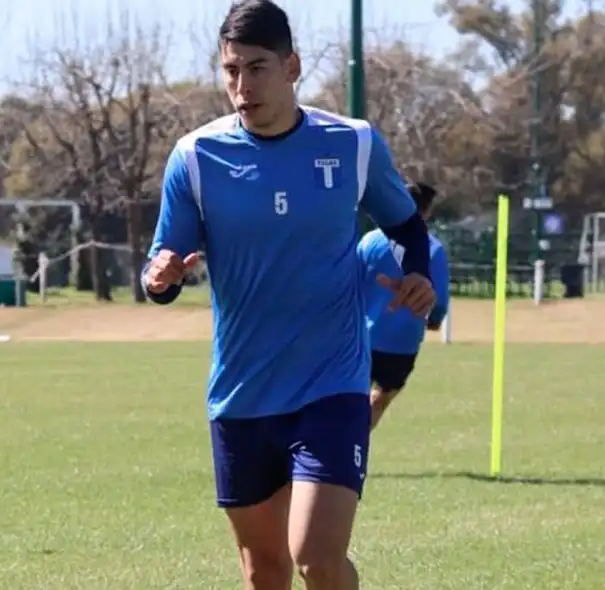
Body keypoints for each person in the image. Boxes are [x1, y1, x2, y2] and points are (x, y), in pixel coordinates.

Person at [141, 1, 437, 588]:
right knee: (264, 571)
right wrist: (161, 277)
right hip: (243, 391)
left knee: (317, 558)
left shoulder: (353, 144)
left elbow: (406, 224)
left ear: (292, 67)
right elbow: (163, 260)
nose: (242, 86)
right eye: (231, 71)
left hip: (332, 384)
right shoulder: (195, 157)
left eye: (257, 68)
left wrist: (418, 275)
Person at [358, 182, 451, 431]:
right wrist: (435, 319)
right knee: (382, 396)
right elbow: (439, 298)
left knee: (348, 397)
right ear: (427, 211)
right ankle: (355, 441)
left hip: (361, 335)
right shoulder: (432, 249)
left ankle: (345, 441)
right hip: (401, 341)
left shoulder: (370, 241)